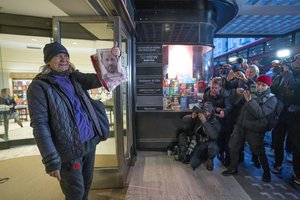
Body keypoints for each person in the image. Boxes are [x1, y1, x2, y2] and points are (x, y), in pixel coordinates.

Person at [27, 41, 120, 200]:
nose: (63, 59)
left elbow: (102, 79)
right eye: (58, 56)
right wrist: (51, 160)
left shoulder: (75, 77)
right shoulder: (39, 87)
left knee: (87, 185)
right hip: (68, 149)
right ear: (48, 61)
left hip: (89, 142)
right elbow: (40, 125)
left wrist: (114, 57)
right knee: (75, 192)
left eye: (65, 56)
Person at [222, 75, 277, 182]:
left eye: (263, 85)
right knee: (233, 146)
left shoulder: (271, 98)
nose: (260, 87)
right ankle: (233, 168)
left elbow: (260, 113)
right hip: (240, 125)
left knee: (258, 150)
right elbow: (234, 102)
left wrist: (250, 100)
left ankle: (266, 172)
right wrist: (236, 93)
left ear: (268, 86)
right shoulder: (251, 91)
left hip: (254, 128)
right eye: (258, 84)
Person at [179, 102, 221, 171]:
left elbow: (213, 136)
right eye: (204, 111)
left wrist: (205, 122)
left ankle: (210, 158)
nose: (205, 114)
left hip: (210, 143)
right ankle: (203, 156)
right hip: (199, 143)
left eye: (207, 112)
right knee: (193, 164)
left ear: (211, 113)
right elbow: (191, 129)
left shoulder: (215, 122)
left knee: (213, 147)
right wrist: (192, 118)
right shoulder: (199, 118)